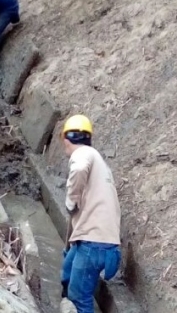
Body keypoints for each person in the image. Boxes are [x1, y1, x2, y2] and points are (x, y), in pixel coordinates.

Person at [60, 115, 121, 313]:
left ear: (66, 140)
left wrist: (71, 199)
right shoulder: (98, 162)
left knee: (80, 297)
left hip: (94, 245)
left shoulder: (82, 154)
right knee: (67, 275)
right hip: (99, 244)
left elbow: (78, 168)